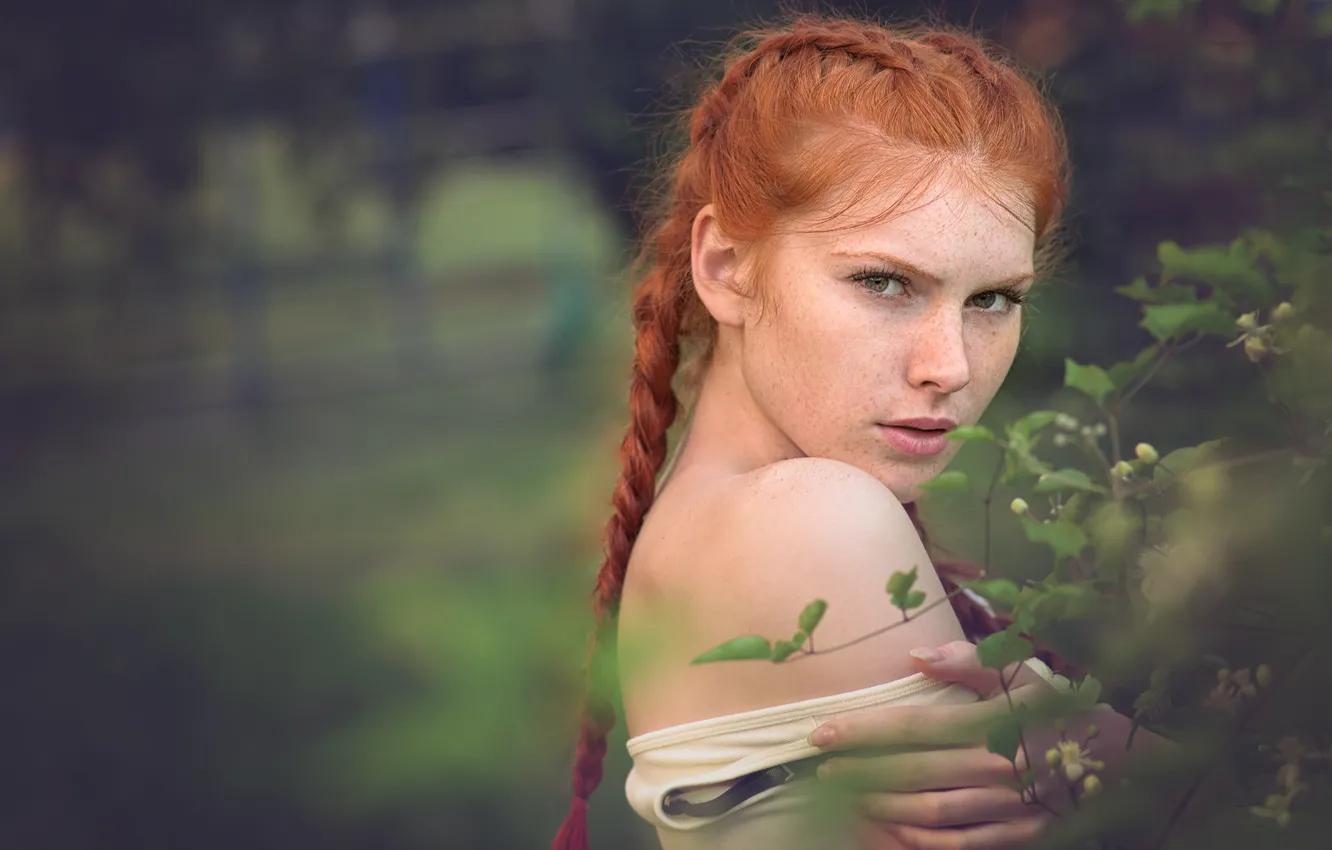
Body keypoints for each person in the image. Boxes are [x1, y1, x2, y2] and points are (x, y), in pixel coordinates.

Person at [551, 14, 1166, 850]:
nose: (948, 364)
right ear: (725, 267)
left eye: (993, 300)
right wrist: (1157, 780)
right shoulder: (805, 518)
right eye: (884, 282)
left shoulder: (717, 517)